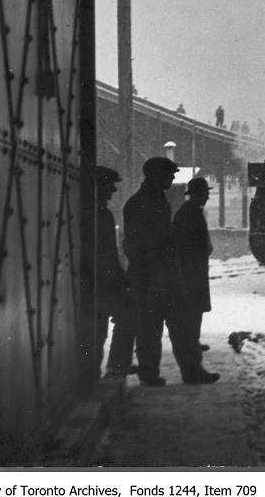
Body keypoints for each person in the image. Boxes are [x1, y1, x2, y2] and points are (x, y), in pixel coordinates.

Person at [122, 157, 218, 386]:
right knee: (156, 329)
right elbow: (136, 245)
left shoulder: (156, 201)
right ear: (156, 176)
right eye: (169, 175)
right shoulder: (141, 204)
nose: (173, 178)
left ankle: (185, 371)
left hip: (164, 278)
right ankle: (160, 373)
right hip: (150, 280)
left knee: (168, 328)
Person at [89, 166, 137, 378]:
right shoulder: (101, 215)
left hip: (99, 282)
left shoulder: (99, 214)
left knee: (98, 329)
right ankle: (116, 366)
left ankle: (104, 368)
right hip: (102, 283)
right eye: (109, 186)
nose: (113, 191)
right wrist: (120, 278)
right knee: (122, 319)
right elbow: (106, 254)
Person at [173, 178, 217, 364]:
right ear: (197, 194)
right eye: (205, 193)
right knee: (192, 309)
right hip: (191, 270)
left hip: (195, 268)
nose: (207, 196)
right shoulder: (188, 214)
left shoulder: (192, 212)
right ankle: (191, 342)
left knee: (196, 309)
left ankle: (194, 341)